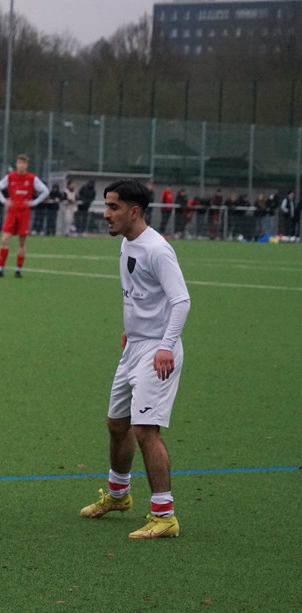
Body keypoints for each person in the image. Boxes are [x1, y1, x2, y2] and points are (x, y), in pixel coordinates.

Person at [80, 179, 190, 539]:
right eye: (106, 205)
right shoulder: (128, 243)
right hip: (135, 346)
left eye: (113, 207)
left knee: (145, 429)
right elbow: (140, 294)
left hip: (158, 350)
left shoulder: (157, 249)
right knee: (117, 424)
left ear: (134, 211)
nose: (106, 213)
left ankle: (164, 515)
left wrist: (165, 345)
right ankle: (119, 495)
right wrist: (132, 330)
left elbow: (181, 301)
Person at [0, 154, 49, 278]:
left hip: (24, 213)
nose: (21, 165)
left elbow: (45, 191)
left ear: (26, 165)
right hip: (12, 212)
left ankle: (18, 270)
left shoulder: (32, 178)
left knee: (22, 242)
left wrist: (34, 202)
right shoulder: (10, 177)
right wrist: (4, 201)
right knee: (5, 239)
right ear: (16, 164)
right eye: (19, 163)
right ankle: (0, 269)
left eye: (23, 163)